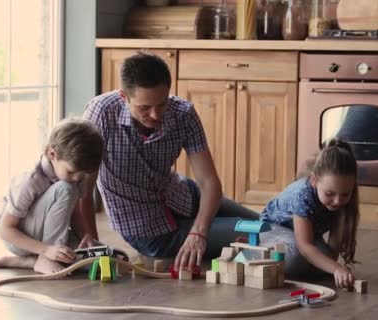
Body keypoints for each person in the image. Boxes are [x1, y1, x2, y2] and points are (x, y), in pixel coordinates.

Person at [79, 52, 260, 272]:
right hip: (151, 233)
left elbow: (209, 182)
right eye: (144, 108)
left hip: (184, 196)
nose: (155, 115)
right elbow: (84, 189)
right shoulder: (101, 112)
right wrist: (95, 248)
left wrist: (198, 232)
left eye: (162, 104)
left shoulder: (183, 113)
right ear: (123, 97)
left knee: (267, 222)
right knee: (265, 234)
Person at [0, 118, 105, 275]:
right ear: (52, 154)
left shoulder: (76, 176)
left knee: (102, 259)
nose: (77, 178)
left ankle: (28, 262)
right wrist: (46, 250)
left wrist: (85, 235)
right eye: (72, 171)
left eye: (83, 174)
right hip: (20, 238)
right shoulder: (30, 180)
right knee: (66, 188)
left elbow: (76, 214)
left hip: (52, 238)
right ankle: (45, 258)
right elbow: (5, 230)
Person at [259, 139, 360, 288]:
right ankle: (253, 250)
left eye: (344, 194)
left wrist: (332, 268)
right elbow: (305, 246)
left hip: (302, 234)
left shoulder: (344, 198)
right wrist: (337, 268)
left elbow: (332, 251)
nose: (338, 201)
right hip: (273, 227)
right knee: (296, 260)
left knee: (323, 262)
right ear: (314, 181)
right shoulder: (303, 195)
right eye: (330, 193)